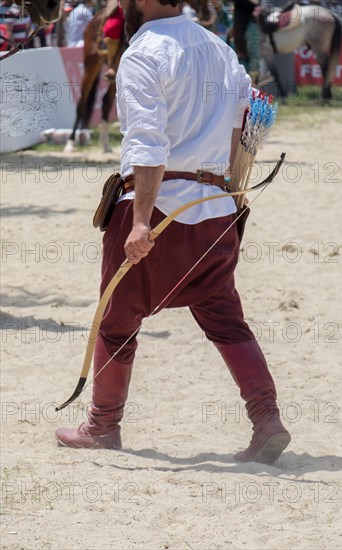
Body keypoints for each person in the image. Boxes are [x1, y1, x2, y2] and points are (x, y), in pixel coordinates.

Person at [55, 0, 291, 464]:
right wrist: (227, 189)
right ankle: (267, 420)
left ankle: (103, 427)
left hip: (159, 208)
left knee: (116, 321)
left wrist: (141, 220)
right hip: (216, 208)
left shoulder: (145, 52)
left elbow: (147, 143)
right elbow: (244, 123)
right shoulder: (218, 48)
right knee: (224, 318)